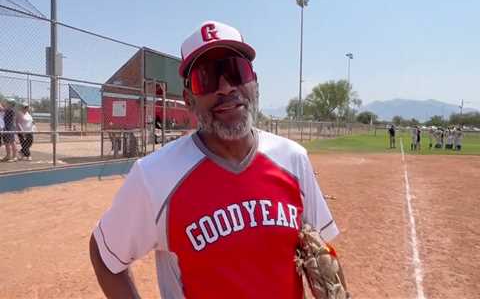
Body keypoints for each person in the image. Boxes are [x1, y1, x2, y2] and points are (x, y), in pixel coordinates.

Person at [89, 21, 340, 299]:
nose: (224, 87)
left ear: (254, 83)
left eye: (236, 70)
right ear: (189, 99)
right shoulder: (154, 176)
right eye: (206, 77)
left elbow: (321, 253)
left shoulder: (293, 159)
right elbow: (104, 254)